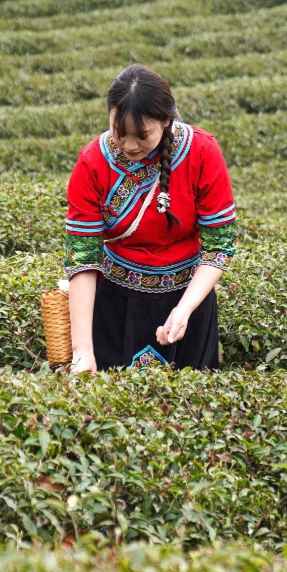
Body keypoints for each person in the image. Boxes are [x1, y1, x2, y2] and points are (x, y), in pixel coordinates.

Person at [63, 64, 237, 372]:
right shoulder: (92, 162)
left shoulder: (201, 151)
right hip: (115, 305)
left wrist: (184, 310)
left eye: (142, 135)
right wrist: (82, 351)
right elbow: (83, 257)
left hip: (189, 301)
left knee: (192, 410)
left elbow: (219, 245)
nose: (129, 145)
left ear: (167, 119)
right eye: (119, 133)